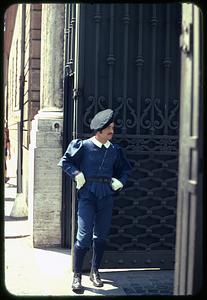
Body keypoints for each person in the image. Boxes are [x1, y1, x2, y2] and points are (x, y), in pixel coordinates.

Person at [58, 109, 132, 293]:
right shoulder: (82, 146)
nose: (112, 132)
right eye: (109, 129)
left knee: (100, 237)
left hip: (106, 196)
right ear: (99, 130)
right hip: (87, 196)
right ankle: (77, 276)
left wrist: (120, 181)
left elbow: (125, 170)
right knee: (83, 237)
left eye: (113, 128)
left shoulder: (115, 150)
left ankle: (95, 271)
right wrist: (77, 174)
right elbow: (66, 161)